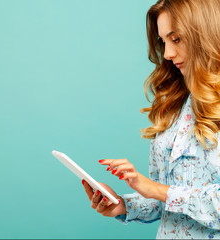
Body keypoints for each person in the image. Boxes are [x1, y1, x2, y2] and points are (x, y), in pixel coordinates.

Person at [82, 0, 220, 238]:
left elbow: (163, 191)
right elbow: (165, 200)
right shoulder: (175, 103)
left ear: (206, 32)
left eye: (176, 38)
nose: (167, 54)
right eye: (163, 42)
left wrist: (156, 189)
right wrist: (121, 204)